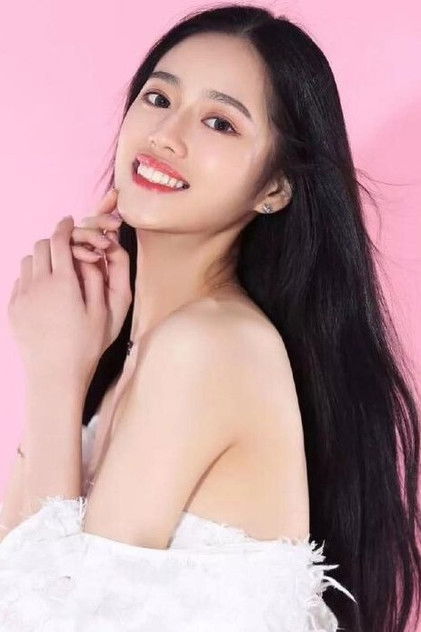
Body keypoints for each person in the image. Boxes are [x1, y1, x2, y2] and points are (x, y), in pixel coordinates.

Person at [0, 4, 420, 631]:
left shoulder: (210, 344)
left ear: (274, 187)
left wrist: (53, 375)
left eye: (220, 123)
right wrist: (68, 365)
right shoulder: (139, 353)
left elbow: (59, 617)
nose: (167, 135)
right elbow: (16, 577)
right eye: (158, 98)